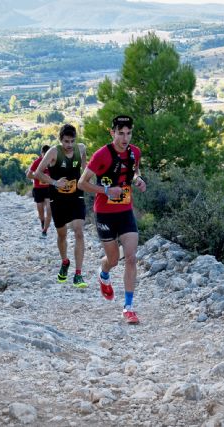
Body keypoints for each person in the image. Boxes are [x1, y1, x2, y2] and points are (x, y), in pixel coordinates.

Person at [78, 115, 147, 324]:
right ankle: (104, 272)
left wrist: (138, 180)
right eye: (120, 133)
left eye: (128, 133)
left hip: (125, 211)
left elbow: (134, 172)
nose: (125, 138)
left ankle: (128, 307)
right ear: (112, 133)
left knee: (131, 257)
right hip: (105, 213)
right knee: (114, 260)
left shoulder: (135, 152)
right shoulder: (102, 155)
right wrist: (107, 190)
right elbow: (82, 183)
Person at [34, 124, 88, 288]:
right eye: (66, 141)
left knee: (79, 232)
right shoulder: (53, 152)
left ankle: (78, 274)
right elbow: (38, 172)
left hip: (76, 196)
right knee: (62, 235)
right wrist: (54, 182)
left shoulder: (81, 149)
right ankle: (65, 261)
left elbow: (85, 168)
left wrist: (88, 181)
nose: (69, 145)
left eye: (72, 141)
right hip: (57, 198)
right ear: (60, 139)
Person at [26, 145, 52, 238]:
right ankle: (42, 223)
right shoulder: (37, 162)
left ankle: (45, 230)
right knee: (41, 211)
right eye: (45, 154)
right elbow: (29, 175)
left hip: (49, 189)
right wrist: (39, 176)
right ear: (42, 153)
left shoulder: (52, 161)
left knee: (49, 210)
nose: (47, 157)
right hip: (38, 189)